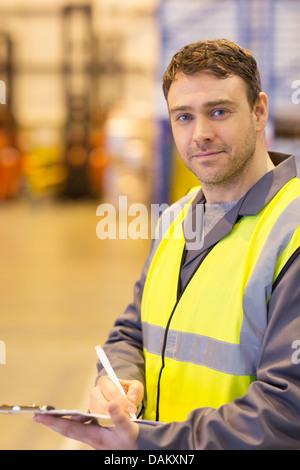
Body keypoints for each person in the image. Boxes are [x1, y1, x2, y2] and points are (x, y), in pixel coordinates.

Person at [34, 38, 300, 450]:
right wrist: (119, 381)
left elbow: (286, 414)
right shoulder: (174, 219)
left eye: (219, 111)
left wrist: (148, 441)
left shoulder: (292, 230)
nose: (201, 134)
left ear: (259, 111)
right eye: (183, 117)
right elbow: (131, 331)